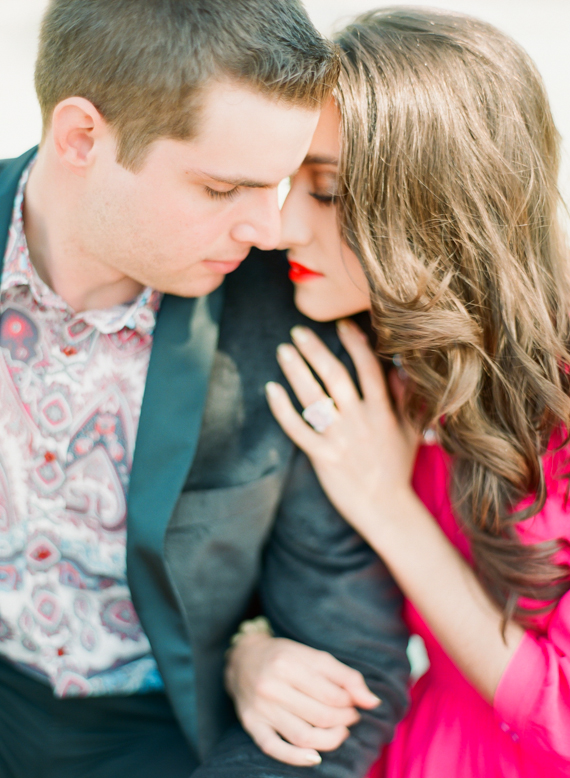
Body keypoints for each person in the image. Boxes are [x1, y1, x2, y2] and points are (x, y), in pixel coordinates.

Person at [0, 1, 411, 776]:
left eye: (282, 184)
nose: (270, 227)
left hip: (178, 739)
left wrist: (249, 658)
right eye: (224, 189)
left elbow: (351, 662)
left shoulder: (293, 320)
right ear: (82, 136)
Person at [224, 7, 570, 777]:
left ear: (437, 210)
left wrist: (386, 503)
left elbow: (562, 719)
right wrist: (248, 658)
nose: (281, 226)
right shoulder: (363, 364)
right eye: (292, 184)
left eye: (329, 191)